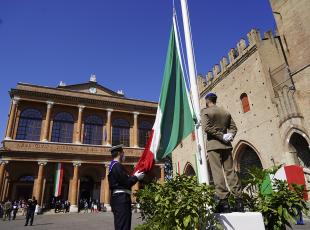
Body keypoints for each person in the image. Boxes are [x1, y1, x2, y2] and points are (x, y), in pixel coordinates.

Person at [201, 93, 244, 213]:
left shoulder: (206, 112)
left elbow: (206, 128)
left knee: (217, 172)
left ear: (207, 101)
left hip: (213, 146)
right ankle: (239, 201)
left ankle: (224, 202)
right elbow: (234, 128)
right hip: (226, 146)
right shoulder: (225, 112)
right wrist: (229, 135)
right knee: (231, 171)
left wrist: (221, 136)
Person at [108, 144, 144, 230]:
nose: (124, 155)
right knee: (123, 226)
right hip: (121, 199)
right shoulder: (117, 166)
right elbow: (126, 183)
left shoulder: (114, 166)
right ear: (120, 154)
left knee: (121, 225)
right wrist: (136, 177)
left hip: (119, 198)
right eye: (123, 153)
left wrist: (134, 176)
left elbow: (123, 180)